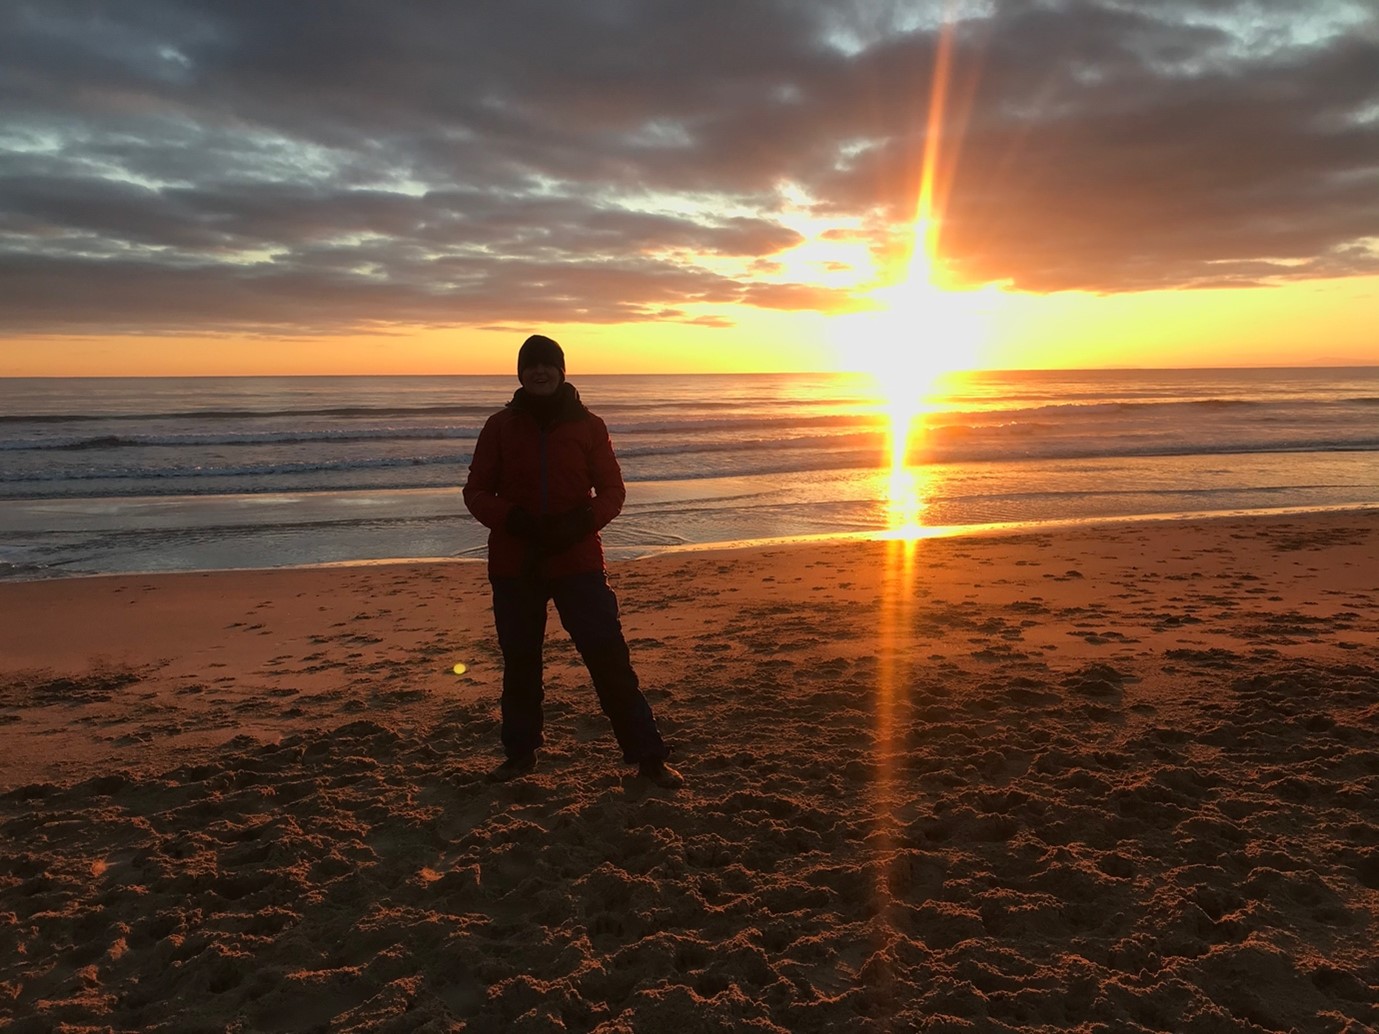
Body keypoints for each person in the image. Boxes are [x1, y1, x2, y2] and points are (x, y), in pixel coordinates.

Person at [462, 334, 682, 787]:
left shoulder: (590, 426)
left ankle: (649, 757)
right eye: (531, 365)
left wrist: (581, 524)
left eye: (547, 364)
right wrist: (513, 519)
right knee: (520, 661)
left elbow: (614, 492)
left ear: (562, 370)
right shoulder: (500, 425)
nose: (539, 372)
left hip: (577, 560)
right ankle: (520, 754)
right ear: (520, 373)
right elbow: (476, 491)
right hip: (515, 564)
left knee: (608, 657)